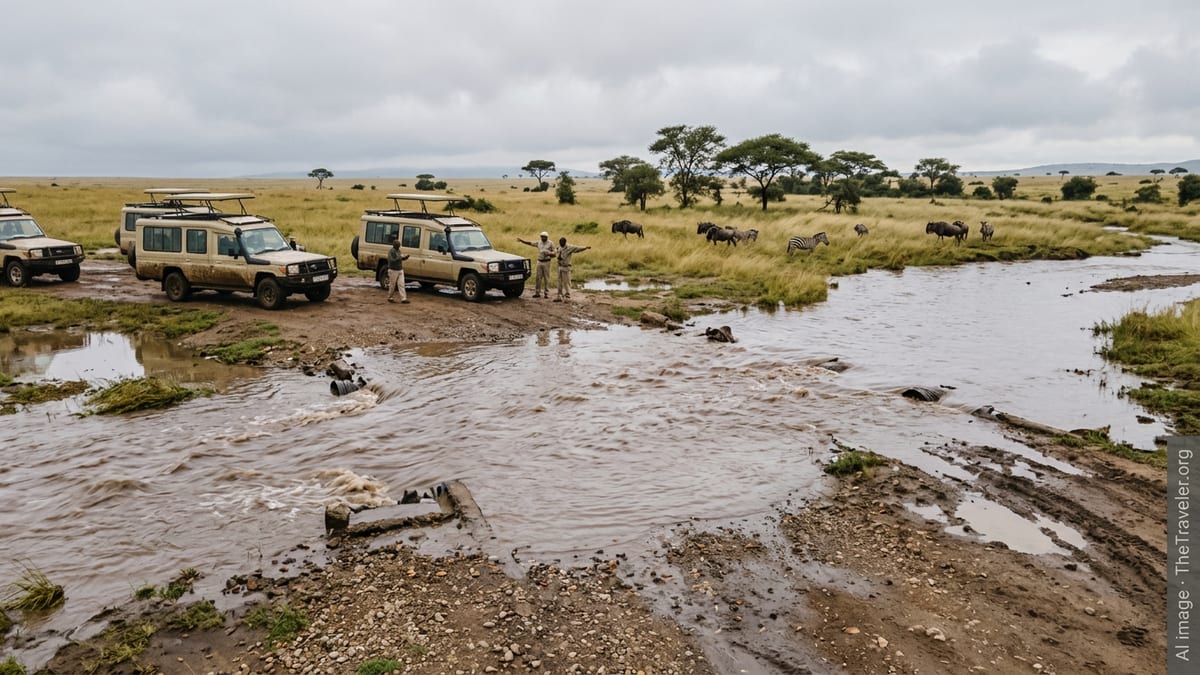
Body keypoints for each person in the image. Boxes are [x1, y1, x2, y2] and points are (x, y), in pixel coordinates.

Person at [516, 231, 556, 298]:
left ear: (547, 237)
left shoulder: (550, 243)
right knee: (538, 278)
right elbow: (530, 243)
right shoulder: (539, 242)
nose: (543, 238)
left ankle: (546, 293)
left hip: (547, 262)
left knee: (546, 278)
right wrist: (522, 241)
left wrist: (550, 254)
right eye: (542, 237)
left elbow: (554, 252)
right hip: (539, 261)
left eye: (544, 237)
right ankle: (537, 293)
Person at [554, 237, 591, 302]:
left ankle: (567, 296)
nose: (561, 244)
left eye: (562, 243)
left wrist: (585, 247)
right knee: (559, 282)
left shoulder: (569, 247)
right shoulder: (560, 247)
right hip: (560, 266)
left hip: (566, 267)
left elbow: (577, 248)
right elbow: (557, 252)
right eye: (560, 243)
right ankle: (559, 296)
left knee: (567, 282)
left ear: (565, 242)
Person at [386, 234, 410, 303]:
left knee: (401, 284)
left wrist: (405, 257)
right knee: (392, 285)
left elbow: (399, 259)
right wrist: (400, 257)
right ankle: (390, 297)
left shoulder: (398, 251)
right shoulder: (391, 251)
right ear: (395, 245)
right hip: (393, 270)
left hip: (400, 269)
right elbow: (391, 260)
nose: (398, 247)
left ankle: (403, 298)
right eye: (398, 245)